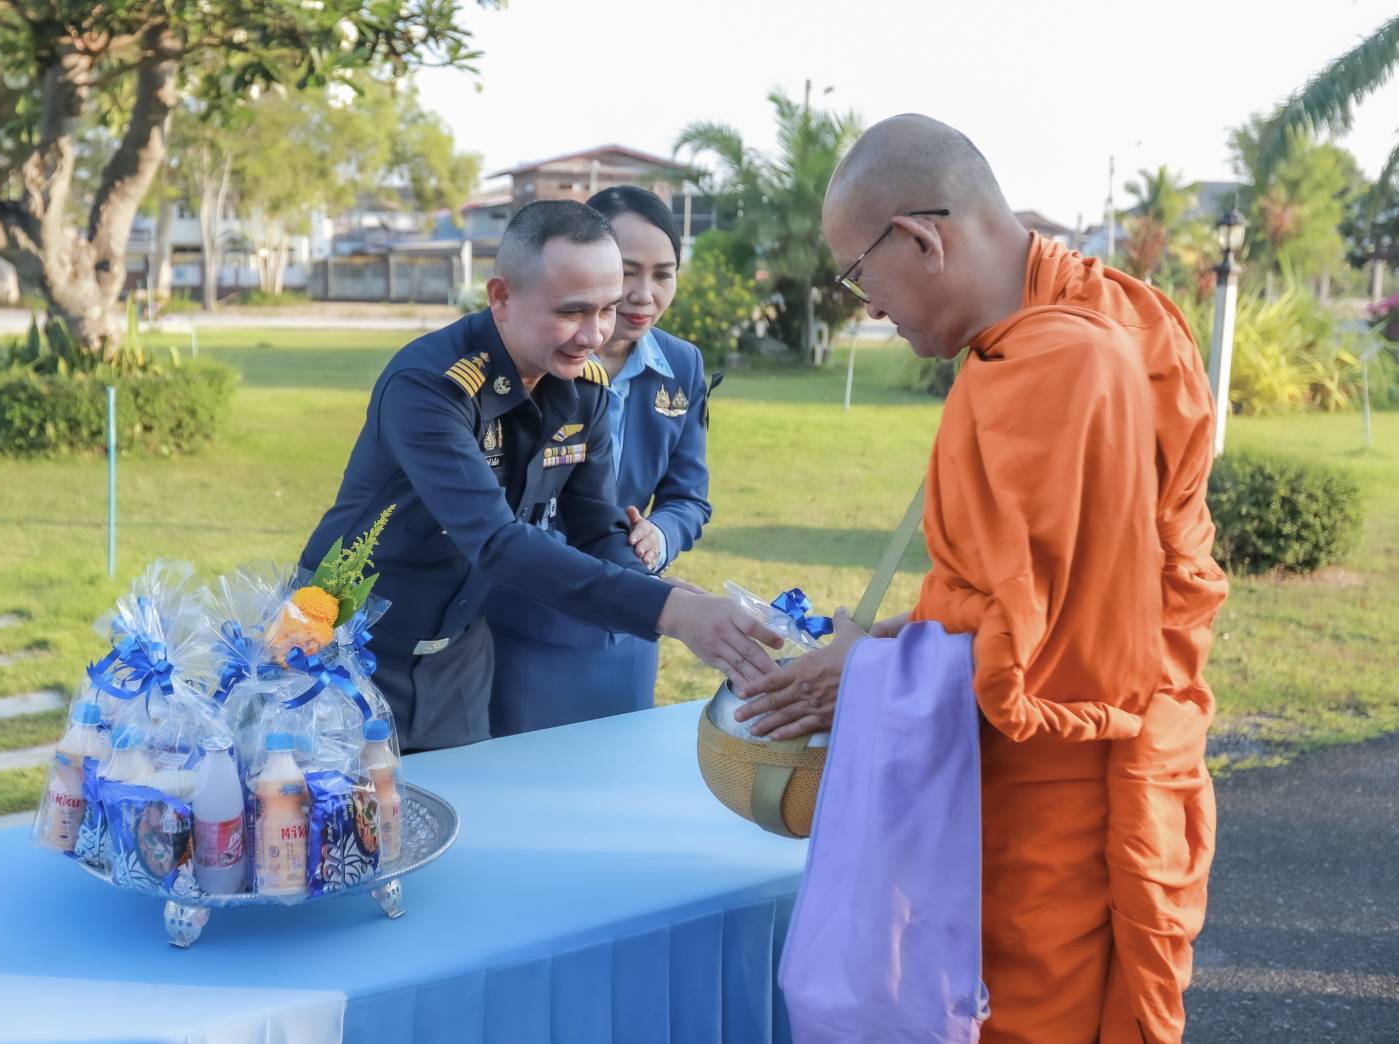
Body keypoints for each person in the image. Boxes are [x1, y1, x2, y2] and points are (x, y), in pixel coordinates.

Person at [736, 115, 1227, 1043]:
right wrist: (899, 637)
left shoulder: (1067, 360)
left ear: (920, 239)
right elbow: (1047, 584)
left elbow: (1055, 656)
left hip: (1056, 789)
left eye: (858, 277)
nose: (868, 309)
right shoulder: (1104, 314)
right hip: (1052, 747)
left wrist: (871, 671)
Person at [299, 200, 779, 752]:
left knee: (467, 801)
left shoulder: (581, 387)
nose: (594, 335)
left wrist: (658, 590)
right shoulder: (430, 386)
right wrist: (669, 611)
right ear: (501, 297)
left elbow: (596, 528)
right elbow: (497, 543)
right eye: (572, 312)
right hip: (345, 649)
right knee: (333, 805)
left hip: (457, 659)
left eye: (607, 309)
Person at [487, 185, 715, 735]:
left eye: (663, 275)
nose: (643, 294)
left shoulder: (682, 365)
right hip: (527, 621)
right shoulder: (528, 361)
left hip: (629, 621)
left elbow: (689, 497)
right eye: (627, 272)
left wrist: (658, 536)